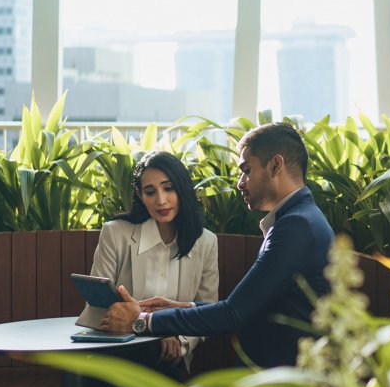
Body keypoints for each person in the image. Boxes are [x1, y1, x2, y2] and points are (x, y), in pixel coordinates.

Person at [102, 122, 334, 370]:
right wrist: (180, 306)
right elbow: (249, 307)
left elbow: (233, 314)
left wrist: (142, 321)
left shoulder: (295, 226)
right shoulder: (301, 219)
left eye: (246, 170)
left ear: (276, 165)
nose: (240, 183)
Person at [88, 150, 219, 387]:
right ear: (140, 195)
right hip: (115, 350)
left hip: (167, 358)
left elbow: (208, 309)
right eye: (150, 192)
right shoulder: (116, 233)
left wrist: (180, 340)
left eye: (169, 188)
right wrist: (155, 326)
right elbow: (98, 301)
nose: (161, 200)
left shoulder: (206, 242)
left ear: (182, 188)